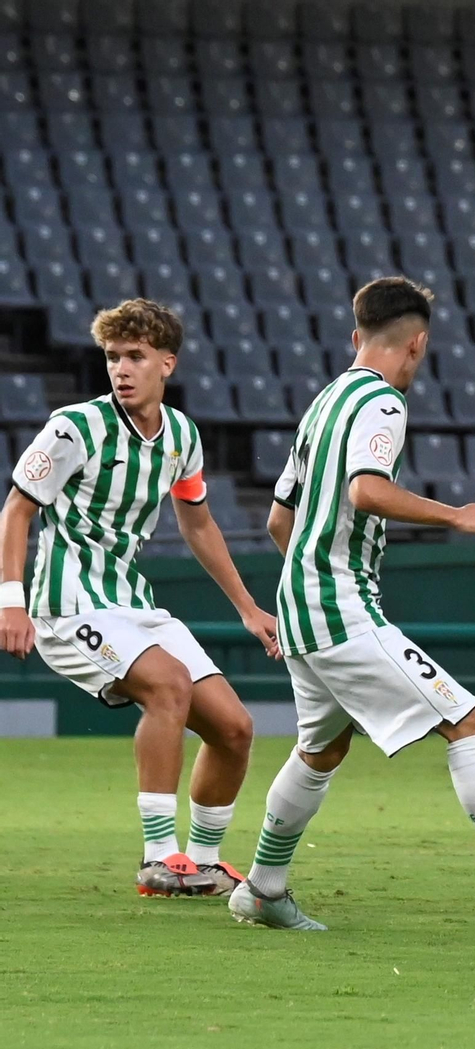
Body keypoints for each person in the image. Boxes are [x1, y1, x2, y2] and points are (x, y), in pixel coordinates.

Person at [229, 276, 475, 932]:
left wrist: (305, 577)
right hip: (337, 604)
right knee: (468, 723)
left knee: (321, 752)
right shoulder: (382, 403)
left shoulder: (324, 402)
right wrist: (458, 516)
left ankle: (263, 889)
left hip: (299, 599)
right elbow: (367, 492)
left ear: (358, 337)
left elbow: (278, 518)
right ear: (417, 345)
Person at [0, 298, 278, 896]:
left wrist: (248, 608)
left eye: (135, 356)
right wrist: (10, 601)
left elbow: (197, 523)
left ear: (167, 364)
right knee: (170, 686)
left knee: (234, 729)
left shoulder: (181, 436)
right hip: (66, 605)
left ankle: (200, 861)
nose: (121, 369)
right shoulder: (74, 428)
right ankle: (159, 857)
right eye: (112, 357)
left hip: (132, 602)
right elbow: (17, 510)